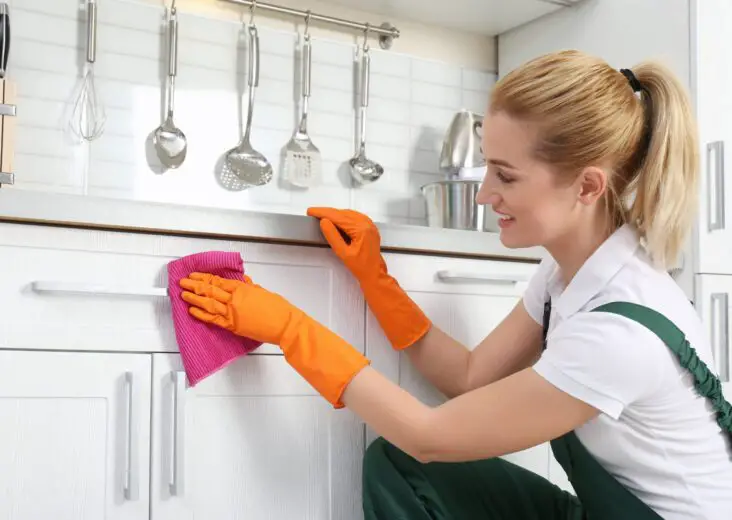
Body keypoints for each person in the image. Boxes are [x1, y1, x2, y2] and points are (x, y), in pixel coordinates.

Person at [178, 49, 732, 519]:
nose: (485, 193)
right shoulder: (574, 272)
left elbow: (430, 433)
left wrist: (291, 328)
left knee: (414, 449)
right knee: (399, 466)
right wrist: (376, 279)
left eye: (505, 175)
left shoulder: (617, 332)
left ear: (587, 186)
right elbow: (470, 379)